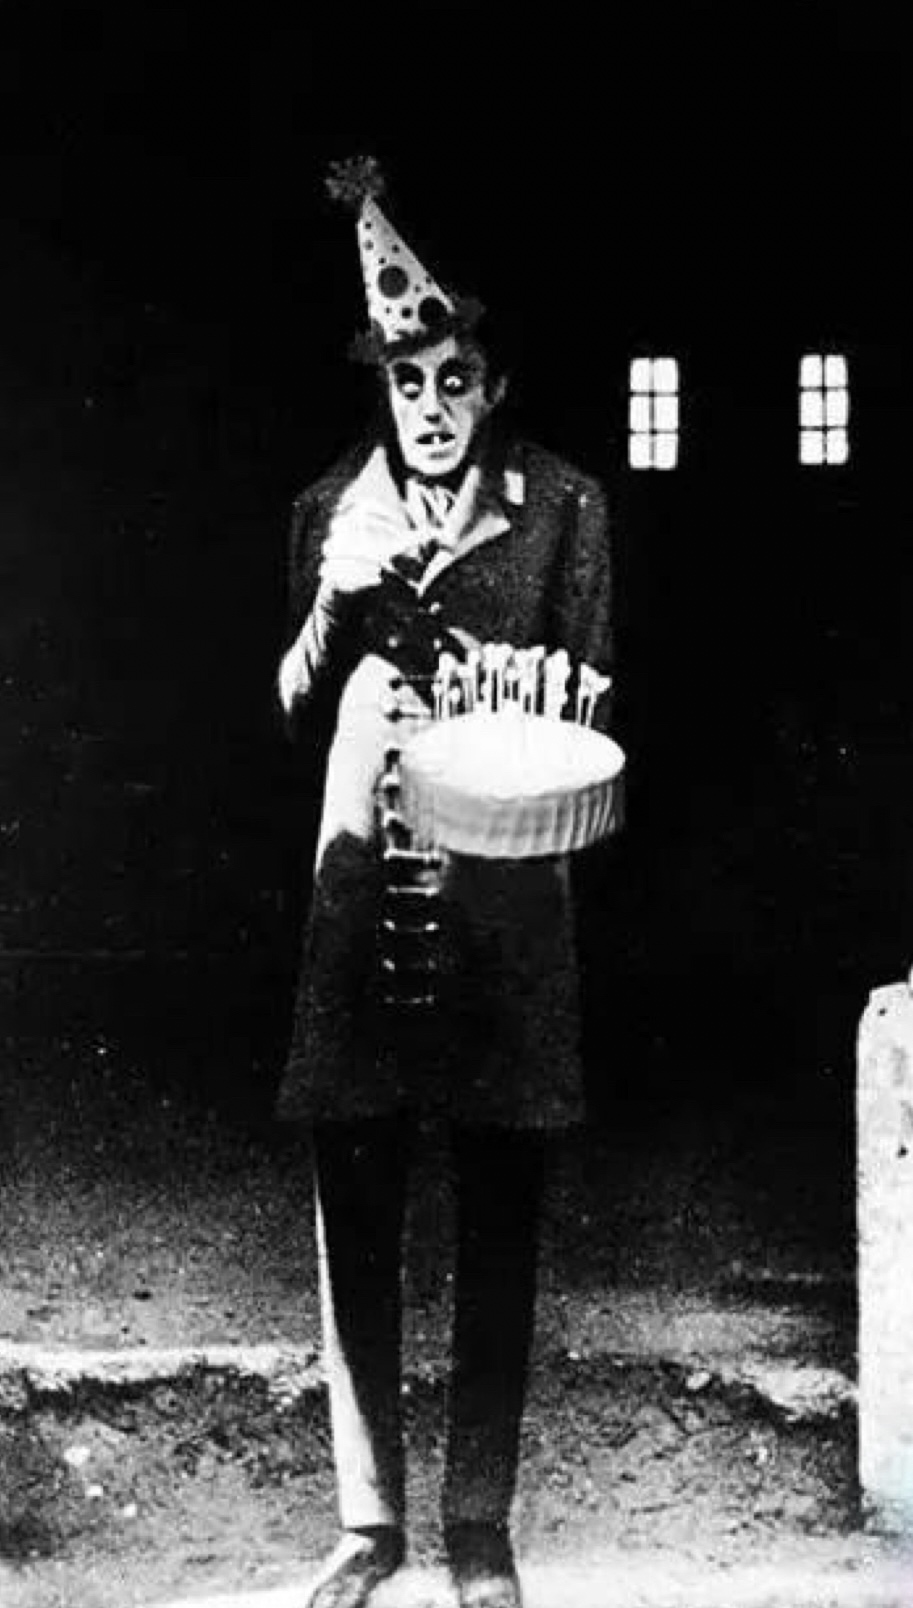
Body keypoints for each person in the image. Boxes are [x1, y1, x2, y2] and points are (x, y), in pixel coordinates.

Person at [276, 157, 617, 1608]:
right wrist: (336, 601)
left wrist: (514, 693)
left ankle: (479, 1524)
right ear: (382, 389)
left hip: (502, 903)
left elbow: (594, 709)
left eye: (454, 378)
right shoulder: (329, 508)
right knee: (352, 1195)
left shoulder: (563, 509)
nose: (429, 404)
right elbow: (288, 707)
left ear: (494, 383)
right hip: (362, 899)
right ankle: (369, 1524)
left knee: (498, 1198)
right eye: (407, 381)